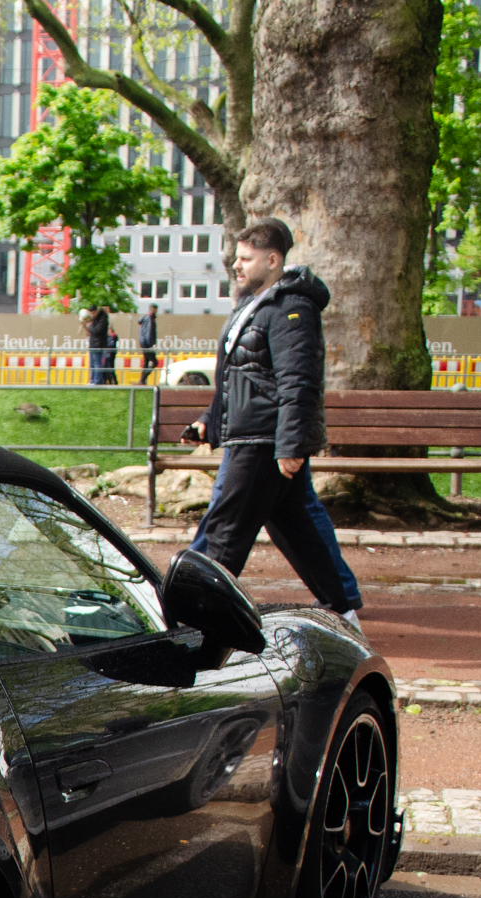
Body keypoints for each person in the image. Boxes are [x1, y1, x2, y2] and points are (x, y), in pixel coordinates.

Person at [178, 216, 362, 626]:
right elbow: (239, 373)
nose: (237, 266)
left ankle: (195, 614)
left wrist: (291, 444)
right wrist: (211, 417)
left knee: (226, 527)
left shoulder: (291, 309)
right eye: (236, 258)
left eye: (246, 258)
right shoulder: (255, 304)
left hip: (264, 439)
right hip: (254, 433)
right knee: (294, 525)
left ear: (273, 260)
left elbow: (299, 382)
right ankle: (342, 605)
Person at [82, 305, 115, 385]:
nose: (92, 315)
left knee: (97, 364)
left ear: (97, 311)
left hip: (98, 344)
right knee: (92, 364)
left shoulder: (102, 318)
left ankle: (96, 381)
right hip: (94, 343)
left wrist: (89, 327)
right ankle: (93, 380)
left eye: (93, 313)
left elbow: (97, 330)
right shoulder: (95, 318)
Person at [137, 301, 159, 384]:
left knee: (146, 361)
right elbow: (149, 332)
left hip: (143, 343)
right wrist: (150, 344)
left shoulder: (146, 318)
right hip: (147, 344)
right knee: (154, 362)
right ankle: (143, 379)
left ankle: (142, 381)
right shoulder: (150, 319)